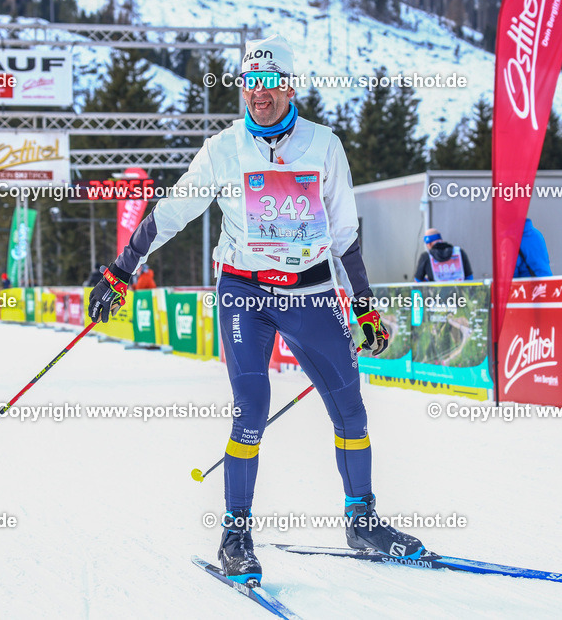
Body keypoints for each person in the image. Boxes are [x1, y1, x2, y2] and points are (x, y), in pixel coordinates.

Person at [88, 34, 426, 584]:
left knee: (350, 408)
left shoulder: (324, 146)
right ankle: (235, 533)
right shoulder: (223, 149)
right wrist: (121, 270)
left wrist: (364, 306)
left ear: (289, 86)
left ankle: (362, 521)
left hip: (310, 292)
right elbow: (172, 211)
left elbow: (345, 234)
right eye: (250, 82)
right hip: (244, 291)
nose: (258, 93)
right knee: (251, 406)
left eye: (269, 82)